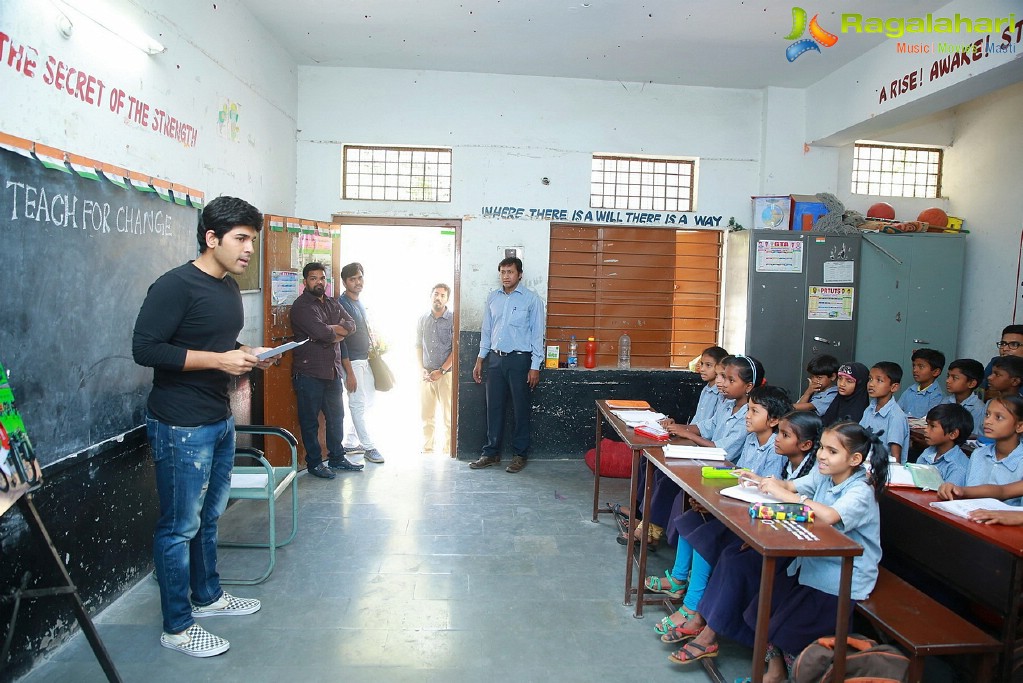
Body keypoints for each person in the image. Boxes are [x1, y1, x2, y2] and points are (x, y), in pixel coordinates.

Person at [132, 196, 269, 658]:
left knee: (209, 517)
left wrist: (243, 353)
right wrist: (219, 359)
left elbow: (214, 341)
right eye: (241, 239)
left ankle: (207, 597)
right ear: (211, 238)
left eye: (253, 239)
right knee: (178, 527)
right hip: (180, 423)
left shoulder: (227, 287)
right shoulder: (175, 286)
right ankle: (177, 626)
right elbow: (146, 349)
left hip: (218, 417)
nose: (250, 248)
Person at [673, 423, 888, 683]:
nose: (821, 455)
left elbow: (831, 516)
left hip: (840, 576)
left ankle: (786, 674)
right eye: (822, 448)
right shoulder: (825, 475)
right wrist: (763, 482)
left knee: (785, 623)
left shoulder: (860, 490)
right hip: (810, 560)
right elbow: (791, 485)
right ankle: (773, 670)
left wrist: (792, 498)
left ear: (855, 459)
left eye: (832, 451)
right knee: (762, 602)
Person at [650, 386, 794, 642]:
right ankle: (679, 579)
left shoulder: (776, 449)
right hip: (739, 507)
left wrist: (717, 503)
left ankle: (692, 606)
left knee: (705, 537)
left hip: (753, 519)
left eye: (754, 411)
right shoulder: (753, 437)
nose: (747, 416)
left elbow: (765, 494)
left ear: (773, 421)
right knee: (689, 521)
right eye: (748, 409)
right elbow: (740, 476)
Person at [470, 257, 545, 474]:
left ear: (520, 274)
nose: (505, 276)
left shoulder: (532, 300)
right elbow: (486, 331)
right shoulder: (493, 298)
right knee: (493, 407)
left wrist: (535, 366)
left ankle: (520, 454)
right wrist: (480, 359)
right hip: (495, 359)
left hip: (520, 360)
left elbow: (537, 334)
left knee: (520, 409)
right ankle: (491, 452)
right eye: (502, 272)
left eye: (510, 272)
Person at [289, 262, 362, 479]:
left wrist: (333, 331)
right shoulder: (301, 306)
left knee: (336, 416)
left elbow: (352, 324)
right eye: (313, 278)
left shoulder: (331, 303)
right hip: (309, 372)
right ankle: (314, 463)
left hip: (332, 371)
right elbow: (323, 334)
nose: (319, 282)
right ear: (305, 282)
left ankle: (337, 457)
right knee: (310, 420)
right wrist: (334, 332)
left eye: (322, 278)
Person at [338, 262, 384, 464]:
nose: (357, 282)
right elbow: (341, 341)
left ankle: (350, 441)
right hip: (352, 361)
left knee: (370, 399)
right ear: (345, 282)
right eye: (352, 279)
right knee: (357, 403)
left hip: (365, 358)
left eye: (359, 277)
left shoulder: (358, 302)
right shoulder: (342, 304)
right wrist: (349, 371)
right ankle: (368, 446)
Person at [939, 396, 1023, 505]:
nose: (988, 421)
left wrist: (962, 491)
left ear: (1020, 426)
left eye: (999, 417)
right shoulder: (978, 454)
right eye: (987, 414)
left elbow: (1003, 492)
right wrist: (952, 489)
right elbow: (965, 495)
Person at [417, 283, 454, 454]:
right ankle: (427, 448)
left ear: (447, 299)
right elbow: (418, 345)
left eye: (442, 295)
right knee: (427, 416)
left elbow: (456, 349)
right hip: (426, 375)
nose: (438, 298)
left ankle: (448, 449)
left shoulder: (453, 319)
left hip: (445, 375)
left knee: (448, 416)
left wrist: (442, 370)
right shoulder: (423, 318)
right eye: (435, 294)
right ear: (430, 296)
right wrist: (421, 369)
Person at [859, 361, 910, 463]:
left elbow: (895, 457)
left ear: (894, 387)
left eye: (879, 380)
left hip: (884, 469)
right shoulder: (870, 409)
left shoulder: (896, 416)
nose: (871, 384)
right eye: (870, 379)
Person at [916, 403, 972, 487]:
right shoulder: (928, 452)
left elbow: (948, 497)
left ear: (953, 434)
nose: (926, 430)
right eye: (927, 425)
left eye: (932, 426)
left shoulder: (958, 467)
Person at [941, 358, 986, 435]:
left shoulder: (979, 409)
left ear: (971, 383)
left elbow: (973, 437)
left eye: (955, 378)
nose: (948, 381)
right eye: (948, 376)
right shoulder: (945, 401)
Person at [898, 348, 946, 418]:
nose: (915, 370)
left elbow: (929, 421)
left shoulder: (937, 396)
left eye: (921, 367)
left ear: (935, 372)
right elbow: (897, 410)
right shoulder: (910, 390)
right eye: (914, 365)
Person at [819, 362, 869, 427]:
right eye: (840, 378)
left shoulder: (862, 413)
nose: (842, 384)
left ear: (859, 385)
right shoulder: (837, 402)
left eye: (849, 381)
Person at [691, 346, 729, 424]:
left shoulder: (722, 393)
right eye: (702, 364)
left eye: (708, 365)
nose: (702, 369)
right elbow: (697, 419)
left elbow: (712, 426)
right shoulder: (706, 389)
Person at [981, 324, 1023, 394]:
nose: (1005, 349)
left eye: (1014, 344)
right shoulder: (996, 362)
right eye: (1003, 343)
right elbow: (981, 391)